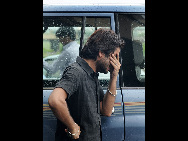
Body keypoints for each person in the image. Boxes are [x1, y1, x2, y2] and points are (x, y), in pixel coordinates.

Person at [48, 28, 125, 141]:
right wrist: (72, 126)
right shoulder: (76, 71)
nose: (116, 62)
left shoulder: (92, 74)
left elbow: (106, 110)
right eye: (114, 57)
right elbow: (55, 100)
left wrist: (113, 76)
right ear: (101, 53)